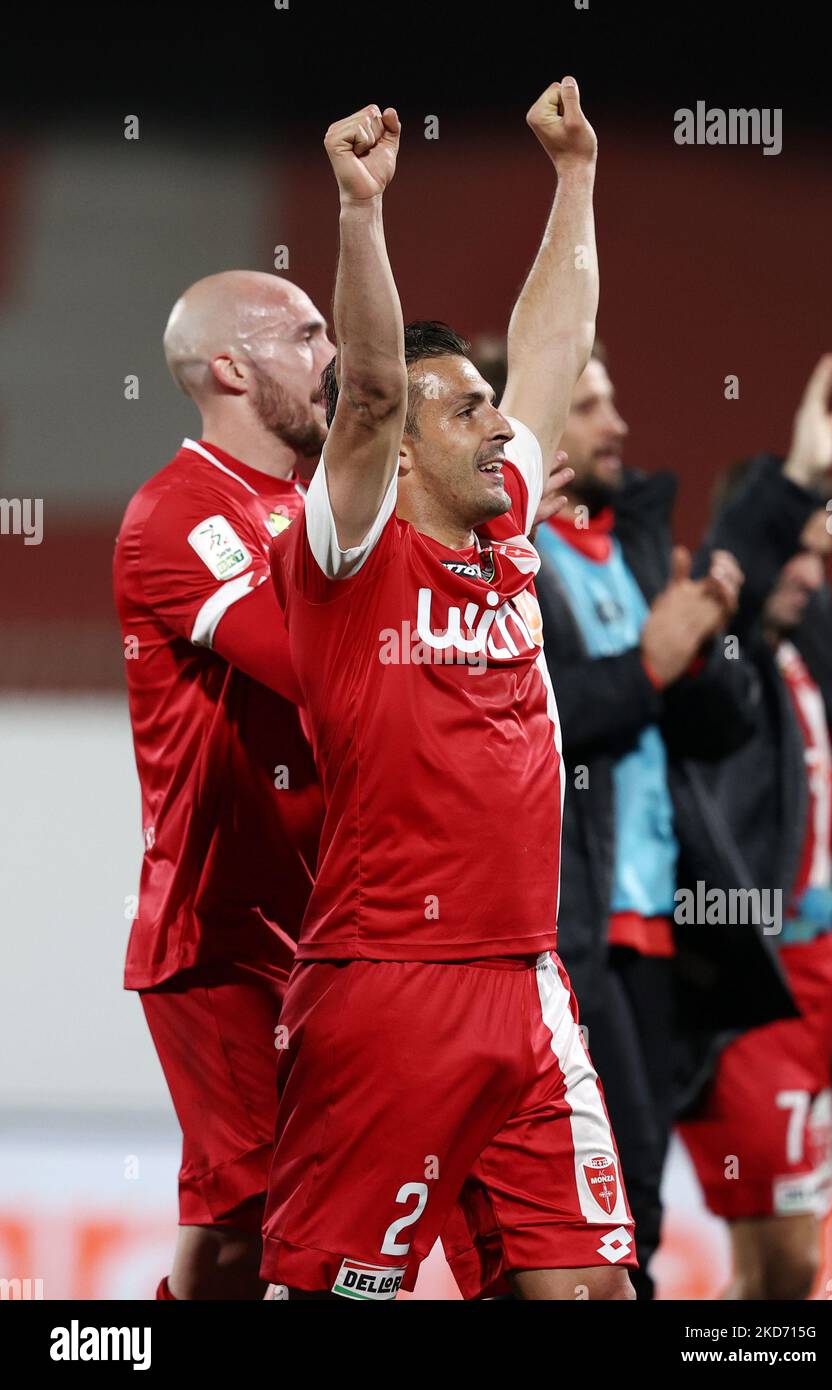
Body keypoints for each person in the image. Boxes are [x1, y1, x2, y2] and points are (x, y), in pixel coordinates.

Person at [261, 79, 646, 1303]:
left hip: (528, 979)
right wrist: (360, 212)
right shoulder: (346, 548)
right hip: (390, 990)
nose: (503, 427)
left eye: (494, 413)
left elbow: (549, 345)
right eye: (467, 410)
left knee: (587, 1291)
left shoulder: (509, 528)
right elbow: (370, 389)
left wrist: (575, 179)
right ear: (398, 447)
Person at [530, 343, 791, 1298]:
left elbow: (716, 727)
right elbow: (538, 723)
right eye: (591, 404)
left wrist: (711, 638)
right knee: (606, 1198)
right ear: (539, 422)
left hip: (654, 925)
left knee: (634, 1193)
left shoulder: (633, 543)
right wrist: (647, 662)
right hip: (567, 927)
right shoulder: (513, 559)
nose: (619, 426)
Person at [113, 271, 332, 1299]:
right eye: (308, 333)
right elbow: (311, 662)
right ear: (230, 368)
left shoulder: (304, 507)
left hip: (323, 919)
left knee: (260, 1218)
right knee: (256, 1221)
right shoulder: (175, 514)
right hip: (221, 933)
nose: (336, 355)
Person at [678, 353, 832, 1299]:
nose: (811, 576)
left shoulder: (810, 655)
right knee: (784, 1258)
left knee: (788, 1262)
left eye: (824, 556)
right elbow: (738, 591)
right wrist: (790, 483)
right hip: (751, 987)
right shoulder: (729, 659)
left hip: (819, 987)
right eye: (796, 552)